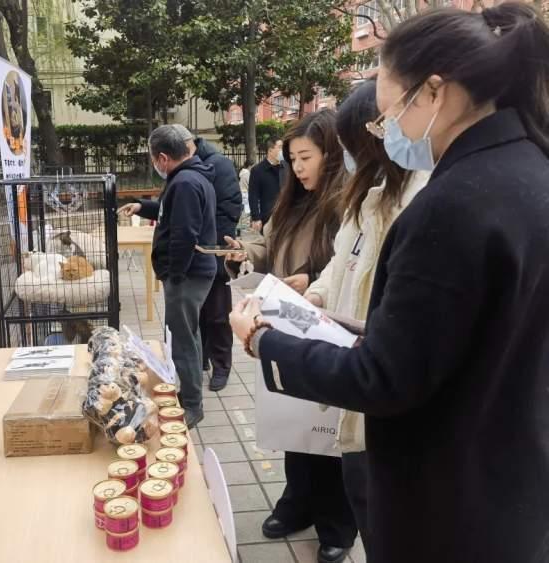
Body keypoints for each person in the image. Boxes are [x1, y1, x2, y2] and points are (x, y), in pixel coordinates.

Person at [230, 4, 549, 562]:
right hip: (512, 480)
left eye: (388, 115)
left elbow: (383, 379)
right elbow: (465, 333)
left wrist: (265, 341)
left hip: (446, 501)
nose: (386, 134)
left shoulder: (452, 205)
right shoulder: (531, 171)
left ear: (433, 93)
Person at [224, 110, 356, 563]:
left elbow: (347, 269)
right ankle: (296, 503)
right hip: (285, 324)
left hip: (330, 329)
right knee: (292, 422)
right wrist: (247, 251)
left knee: (329, 433)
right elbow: (272, 245)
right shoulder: (295, 199)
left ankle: (337, 522)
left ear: (332, 154)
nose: (297, 168)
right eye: (292, 159)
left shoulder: (349, 204)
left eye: (306, 157)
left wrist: (309, 282)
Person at [302, 80, 430, 544]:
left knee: (388, 526)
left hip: (385, 404)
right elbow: (343, 261)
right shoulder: (367, 197)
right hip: (354, 397)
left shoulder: (422, 203)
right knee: (361, 496)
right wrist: (314, 296)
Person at [118, 124, 217, 428]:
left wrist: (173, 274)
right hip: (192, 272)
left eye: (152, 159)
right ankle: (190, 390)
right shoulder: (188, 177)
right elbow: (168, 211)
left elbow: (183, 233)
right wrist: (144, 206)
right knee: (188, 333)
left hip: (187, 275)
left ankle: (191, 404)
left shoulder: (185, 182)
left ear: (162, 158)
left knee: (182, 339)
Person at [173, 126, 242, 391]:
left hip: (213, 251)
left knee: (217, 314)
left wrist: (214, 245)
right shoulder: (186, 166)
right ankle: (200, 360)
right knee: (197, 313)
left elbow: (231, 207)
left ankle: (221, 366)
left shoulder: (219, 165)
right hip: (193, 254)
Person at [248, 137, 283, 231]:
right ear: (270, 150)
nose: (282, 150)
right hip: (268, 217)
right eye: (280, 147)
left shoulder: (286, 169)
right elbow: (253, 195)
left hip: (286, 217)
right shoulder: (258, 170)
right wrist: (256, 217)